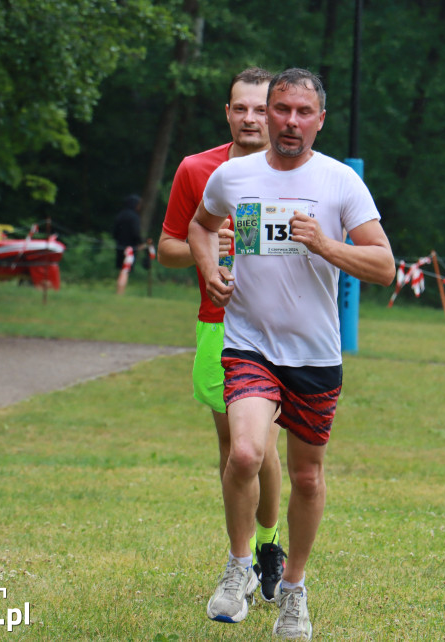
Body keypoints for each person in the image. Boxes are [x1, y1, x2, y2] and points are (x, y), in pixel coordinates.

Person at [188, 68, 395, 640]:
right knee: (248, 454)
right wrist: (212, 272)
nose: (290, 122)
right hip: (249, 342)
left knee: (306, 477)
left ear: (320, 120)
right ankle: (238, 567)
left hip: (313, 352)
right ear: (268, 111)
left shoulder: (339, 184)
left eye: (304, 113)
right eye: (281, 109)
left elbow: (384, 265)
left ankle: (295, 591)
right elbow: (199, 227)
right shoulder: (234, 176)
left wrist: (325, 244)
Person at [156, 68, 290, 603]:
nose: (252, 119)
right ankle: (243, 556)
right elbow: (167, 247)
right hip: (218, 324)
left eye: (262, 109)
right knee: (234, 449)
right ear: (227, 112)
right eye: (242, 108)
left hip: (277, 331)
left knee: (259, 448)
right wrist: (210, 244)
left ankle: (266, 547)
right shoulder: (197, 169)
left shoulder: (292, 170)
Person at [112, 194, 144, 294]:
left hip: (119, 246)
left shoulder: (120, 215)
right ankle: (120, 292)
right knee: (125, 270)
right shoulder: (134, 217)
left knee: (122, 269)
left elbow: (114, 232)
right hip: (130, 248)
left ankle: (119, 291)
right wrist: (140, 243)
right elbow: (135, 233)